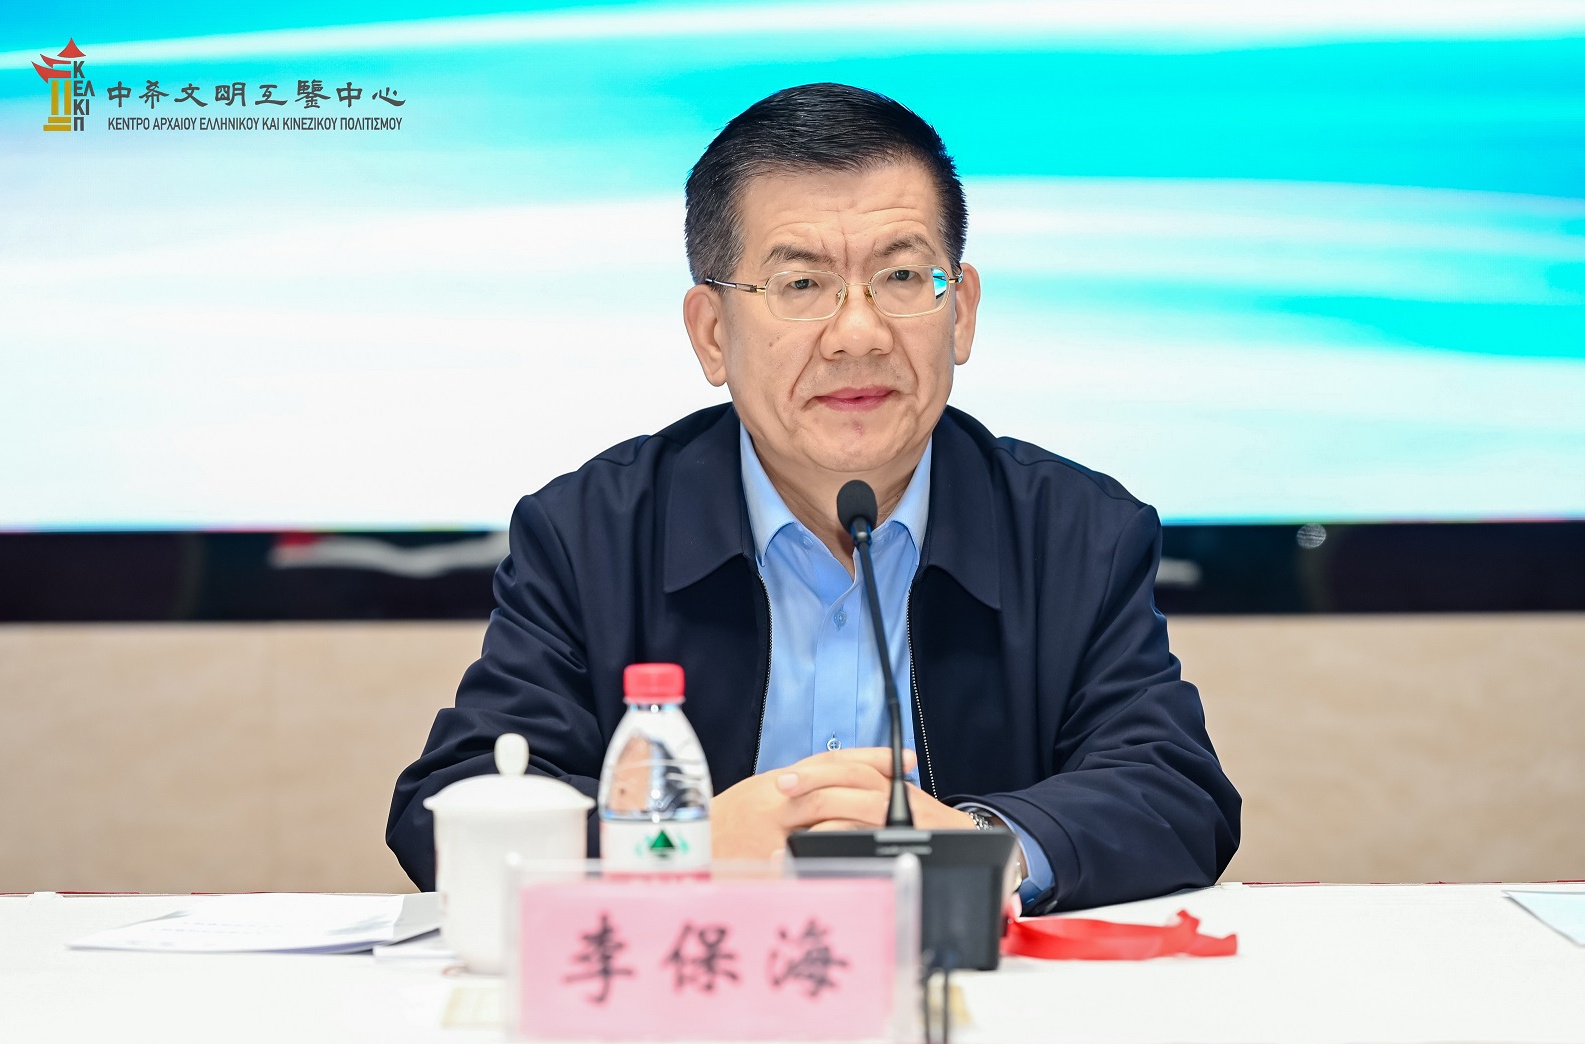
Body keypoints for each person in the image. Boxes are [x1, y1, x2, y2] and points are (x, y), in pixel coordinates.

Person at [387, 83, 1239, 914]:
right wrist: (684, 843)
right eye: (800, 286)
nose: (858, 333)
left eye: (902, 276)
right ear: (712, 333)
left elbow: (1174, 789)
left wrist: (983, 845)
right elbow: (451, 801)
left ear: (961, 311)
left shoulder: (1077, 532)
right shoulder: (592, 534)